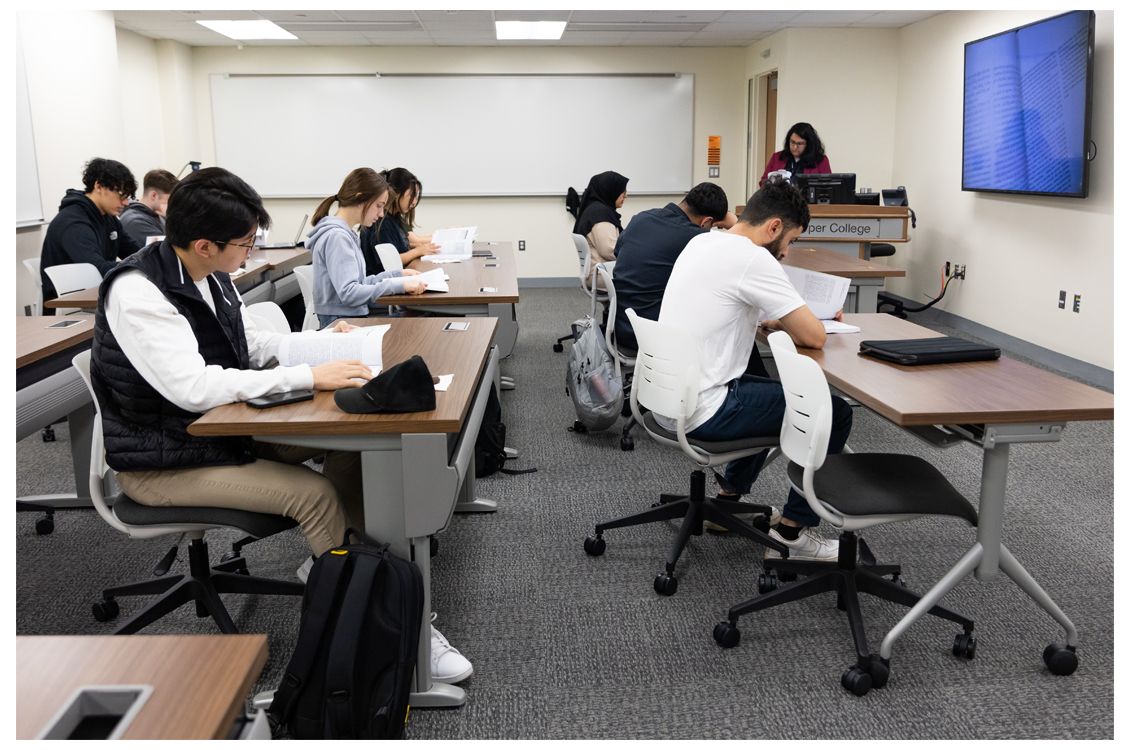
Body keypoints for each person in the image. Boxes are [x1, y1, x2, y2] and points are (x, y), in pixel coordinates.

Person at [90, 167, 472, 684]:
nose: (251, 254)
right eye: (244, 244)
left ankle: (346, 570)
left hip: (219, 433)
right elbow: (192, 388)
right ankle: (382, 628)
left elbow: (253, 346)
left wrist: (320, 347)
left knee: (353, 441)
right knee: (314, 496)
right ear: (204, 244)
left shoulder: (207, 274)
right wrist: (308, 375)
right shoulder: (138, 293)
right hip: (164, 460)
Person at [657, 177, 853, 561]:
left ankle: (727, 503)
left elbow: (729, 298)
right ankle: (794, 535)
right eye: (791, 241)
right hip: (704, 409)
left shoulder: (704, 240)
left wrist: (780, 320)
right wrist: (801, 320)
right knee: (831, 410)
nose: (787, 251)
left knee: (762, 387)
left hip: (666, 396)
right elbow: (814, 336)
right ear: (775, 227)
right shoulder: (753, 258)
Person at [610, 182, 737, 352]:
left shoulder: (641, 217)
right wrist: (735, 224)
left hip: (621, 325)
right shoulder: (694, 237)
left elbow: (618, 254)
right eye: (712, 226)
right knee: (728, 317)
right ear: (706, 221)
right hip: (653, 335)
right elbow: (739, 253)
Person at [309, 168, 426, 330]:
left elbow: (361, 283)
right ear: (359, 199)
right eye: (378, 206)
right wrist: (398, 285)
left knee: (417, 318)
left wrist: (397, 275)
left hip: (350, 318)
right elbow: (350, 293)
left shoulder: (347, 234)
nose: (381, 213)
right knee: (418, 320)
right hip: (341, 323)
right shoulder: (337, 237)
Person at [39, 157, 145, 312]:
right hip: (70, 307)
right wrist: (144, 266)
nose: (126, 203)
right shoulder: (72, 222)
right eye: (121, 194)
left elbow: (136, 253)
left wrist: (155, 259)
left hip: (97, 297)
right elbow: (97, 269)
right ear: (99, 186)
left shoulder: (109, 219)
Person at [358, 167, 439, 275]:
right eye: (412, 195)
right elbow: (390, 261)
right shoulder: (382, 223)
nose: (414, 202)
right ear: (395, 193)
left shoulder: (393, 219)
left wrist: (411, 247)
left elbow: (394, 248)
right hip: (382, 284)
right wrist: (417, 251)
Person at [573, 171, 628, 289]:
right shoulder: (600, 214)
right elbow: (609, 250)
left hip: (597, 272)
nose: (625, 196)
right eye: (623, 191)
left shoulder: (594, 209)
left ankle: (613, 307)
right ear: (611, 190)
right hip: (603, 274)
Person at [758, 122, 831, 187]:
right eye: (792, 142)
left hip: (807, 201)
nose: (795, 147)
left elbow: (827, 186)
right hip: (779, 200)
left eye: (800, 144)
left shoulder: (820, 160)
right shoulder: (777, 157)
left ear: (809, 144)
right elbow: (763, 182)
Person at [119, 169, 177, 246]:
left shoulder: (157, 214)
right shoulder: (136, 221)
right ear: (154, 195)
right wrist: (171, 218)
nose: (173, 203)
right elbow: (171, 250)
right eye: (170, 198)